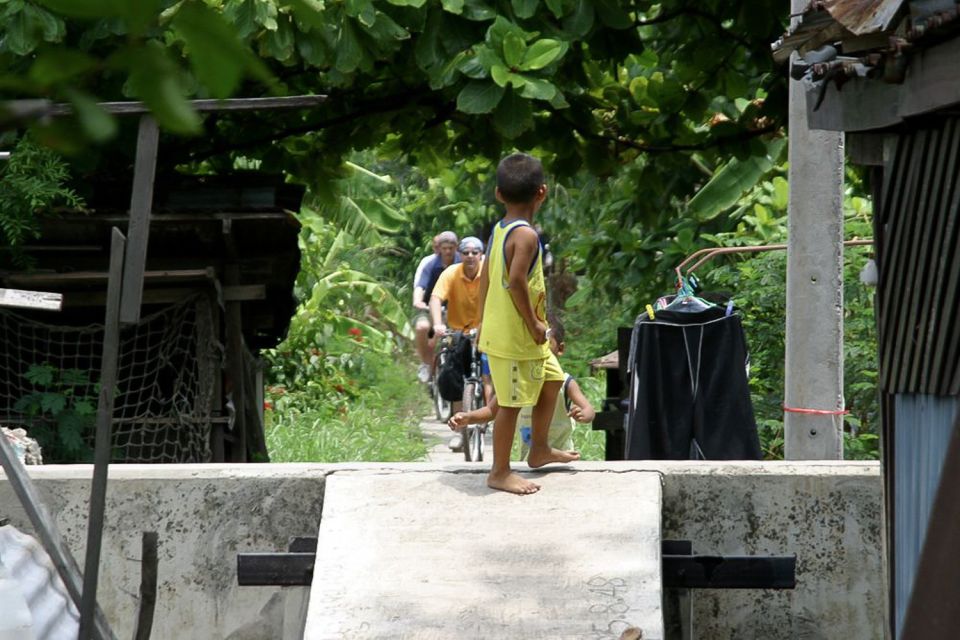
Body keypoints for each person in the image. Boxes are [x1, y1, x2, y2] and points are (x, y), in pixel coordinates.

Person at [476, 152, 579, 495]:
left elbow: (487, 279)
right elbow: (515, 281)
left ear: (498, 194)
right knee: (510, 404)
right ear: (542, 192)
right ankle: (500, 471)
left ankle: (538, 449)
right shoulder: (526, 237)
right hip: (516, 336)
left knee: (552, 381)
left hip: (519, 335)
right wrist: (536, 324)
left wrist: (480, 322)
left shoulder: (500, 229)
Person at [449, 316, 595, 459]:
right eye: (530, 345)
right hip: (528, 460)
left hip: (562, 456)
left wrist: (584, 414)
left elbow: (588, 409)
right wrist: (469, 417)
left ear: (560, 348)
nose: (538, 351)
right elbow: (491, 411)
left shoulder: (565, 382)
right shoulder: (516, 381)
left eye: (545, 344)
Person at [429, 236, 485, 450]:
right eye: (466, 252)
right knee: (452, 377)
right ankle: (461, 433)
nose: (470, 256)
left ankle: (493, 417)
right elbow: (436, 299)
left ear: (481, 255)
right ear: (460, 255)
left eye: (475, 252)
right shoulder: (451, 273)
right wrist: (437, 324)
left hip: (485, 331)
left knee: (493, 375)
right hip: (458, 332)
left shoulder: (489, 273)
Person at [412, 231, 459, 383]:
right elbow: (420, 285)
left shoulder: (462, 262)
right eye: (444, 248)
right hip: (428, 306)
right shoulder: (430, 264)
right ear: (439, 248)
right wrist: (418, 300)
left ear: (456, 248)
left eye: (451, 248)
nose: (447, 251)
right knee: (422, 327)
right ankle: (426, 364)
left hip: (456, 308)